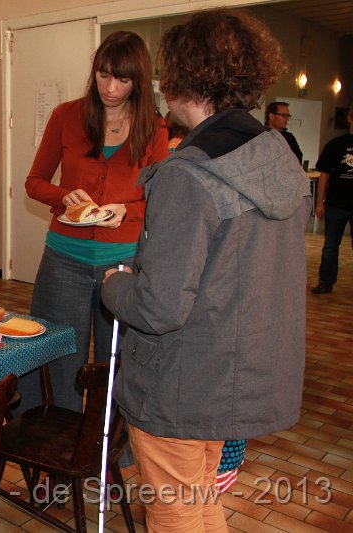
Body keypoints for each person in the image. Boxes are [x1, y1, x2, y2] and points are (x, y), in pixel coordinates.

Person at [102, 9, 311, 532]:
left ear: (179, 78)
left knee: (175, 510)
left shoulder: (187, 175)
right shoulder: (274, 155)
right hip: (234, 375)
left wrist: (115, 285)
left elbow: (159, 306)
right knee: (199, 502)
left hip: (183, 382)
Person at [19, 31, 169, 413]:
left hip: (124, 264)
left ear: (138, 80)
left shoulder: (154, 128)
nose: (111, 87)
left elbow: (162, 197)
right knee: (58, 352)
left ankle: (110, 451)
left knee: (116, 360)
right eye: (103, 75)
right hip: (63, 258)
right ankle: (54, 439)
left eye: (122, 79)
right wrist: (61, 196)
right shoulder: (66, 116)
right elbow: (34, 182)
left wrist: (128, 209)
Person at [311, 106, 353, 294]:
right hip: (336, 204)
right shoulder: (336, 145)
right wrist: (320, 202)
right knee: (330, 245)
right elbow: (324, 175)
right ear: (350, 118)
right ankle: (326, 280)